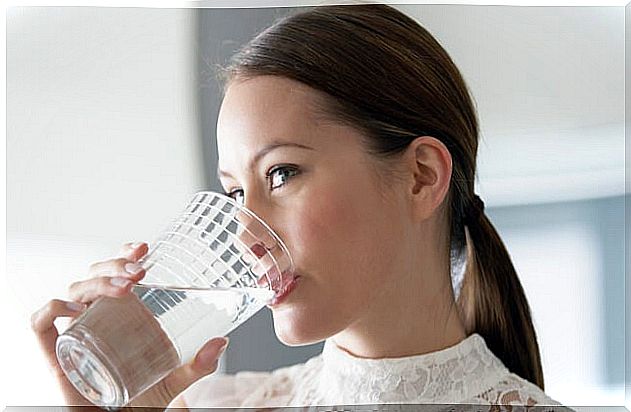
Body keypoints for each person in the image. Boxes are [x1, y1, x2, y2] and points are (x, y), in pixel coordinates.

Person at [32, 3, 566, 409]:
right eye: (236, 194)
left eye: (281, 174)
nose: (245, 235)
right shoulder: (216, 406)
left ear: (421, 177)